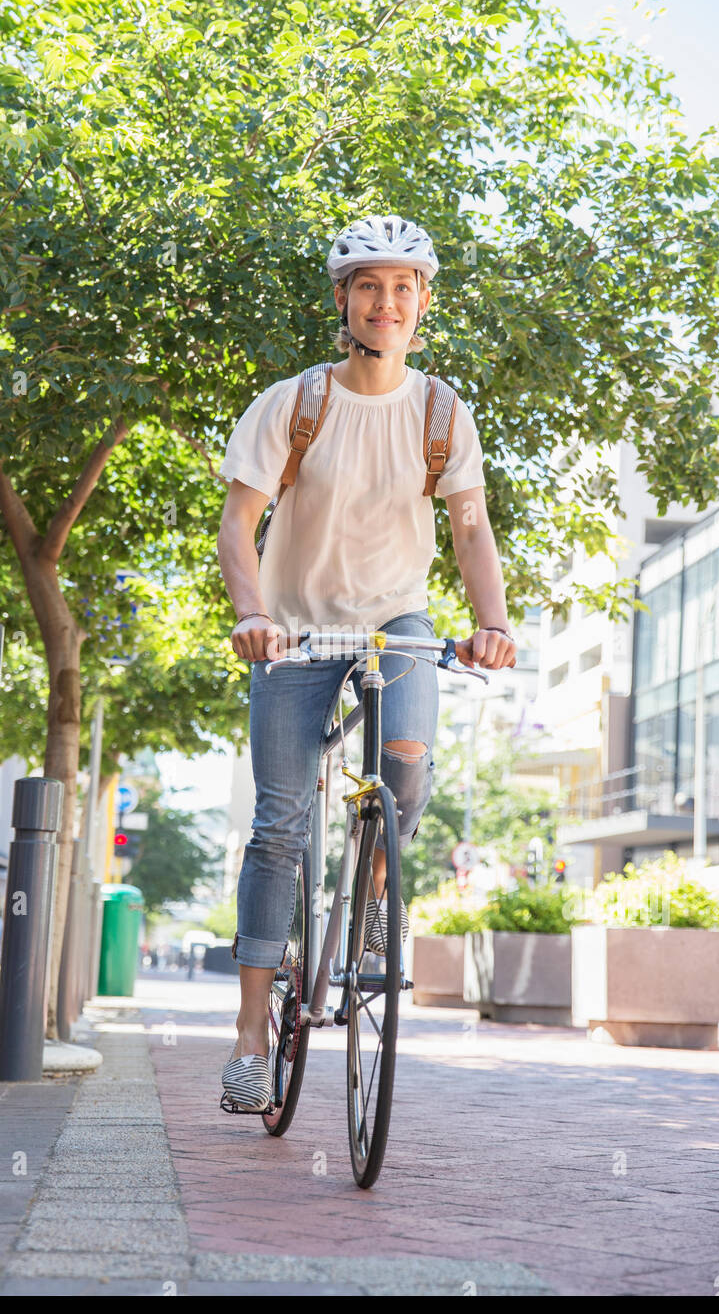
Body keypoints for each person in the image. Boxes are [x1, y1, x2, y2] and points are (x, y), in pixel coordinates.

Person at [216, 214, 516, 1110]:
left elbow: (469, 528)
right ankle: (247, 1036)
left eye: (403, 286)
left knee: (407, 767)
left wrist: (491, 624)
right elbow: (239, 524)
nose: (386, 302)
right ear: (343, 301)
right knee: (277, 826)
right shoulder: (294, 403)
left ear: (423, 302)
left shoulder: (440, 410)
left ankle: (378, 891)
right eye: (368, 286)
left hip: (398, 622)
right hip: (297, 630)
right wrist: (253, 617)